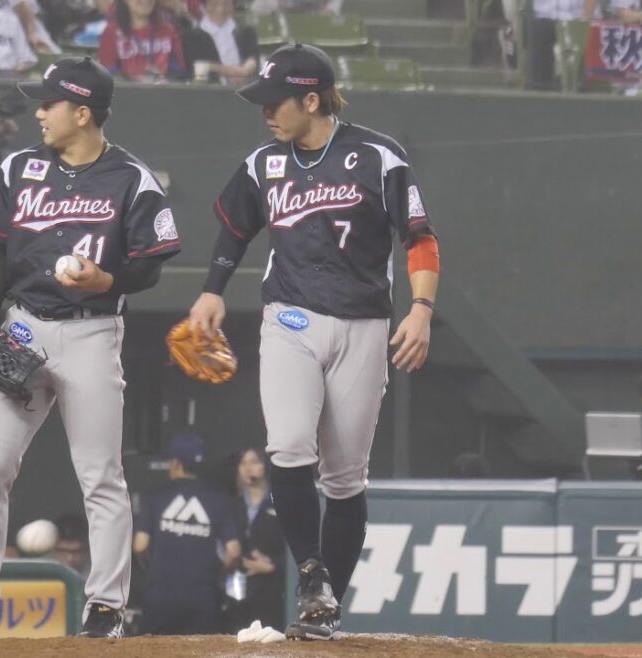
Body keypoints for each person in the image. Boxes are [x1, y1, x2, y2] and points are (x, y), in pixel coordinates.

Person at [187, 43, 440, 640]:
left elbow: (420, 237)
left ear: (311, 100)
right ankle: (309, 572)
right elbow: (234, 229)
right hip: (290, 319)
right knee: (289, 445)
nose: (265, 112)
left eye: (275, 101)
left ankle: (324, 609)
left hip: (363, 324)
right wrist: (212, 290)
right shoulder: (263, 164)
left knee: (346, 478)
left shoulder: (377, 156)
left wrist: (422, 309)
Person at [0, 56, 182, 641]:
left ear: (83, 112)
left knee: (101, 476)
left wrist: (108, 279)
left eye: (49, 103)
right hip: (22, 327)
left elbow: (150, 266)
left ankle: (106, 607)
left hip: (92, 332)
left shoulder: (131, 178)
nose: (39, 113)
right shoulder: (19, 167)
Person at [133, 432, 241, 634]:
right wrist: (217, 574)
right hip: (202, 595)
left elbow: (140, 546)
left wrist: (152, 570)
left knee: (154, 647)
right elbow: (234, 551)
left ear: (176, 463)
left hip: (160, 595)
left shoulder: (154, 497)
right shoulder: (219, 498)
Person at [226, 447, 285, 631]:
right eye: (243, 463)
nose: (247, 468)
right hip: (237, 594)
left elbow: (294, 548)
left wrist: (273, 565)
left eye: (253, 462)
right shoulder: (231, 505)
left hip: (272, 592)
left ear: (265, 466)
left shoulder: (280, 502)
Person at [98, 0, 188, 81]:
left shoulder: (168, 31)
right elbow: (108, 74)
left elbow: (179, 71)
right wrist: (135, 81)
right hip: (127, 92)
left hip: (165, 91)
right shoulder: (111, 33)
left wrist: (164, 79)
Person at [197, 0, 260, 85]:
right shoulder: (193, 36)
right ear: (205, 6)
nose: (220, 9)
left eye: (226, 4)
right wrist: (226, 71)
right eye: (214, 4)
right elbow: (197, 70)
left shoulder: (245, 30)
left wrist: (244, 71)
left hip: (244, 86)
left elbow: (253, 56)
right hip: (210, 88)